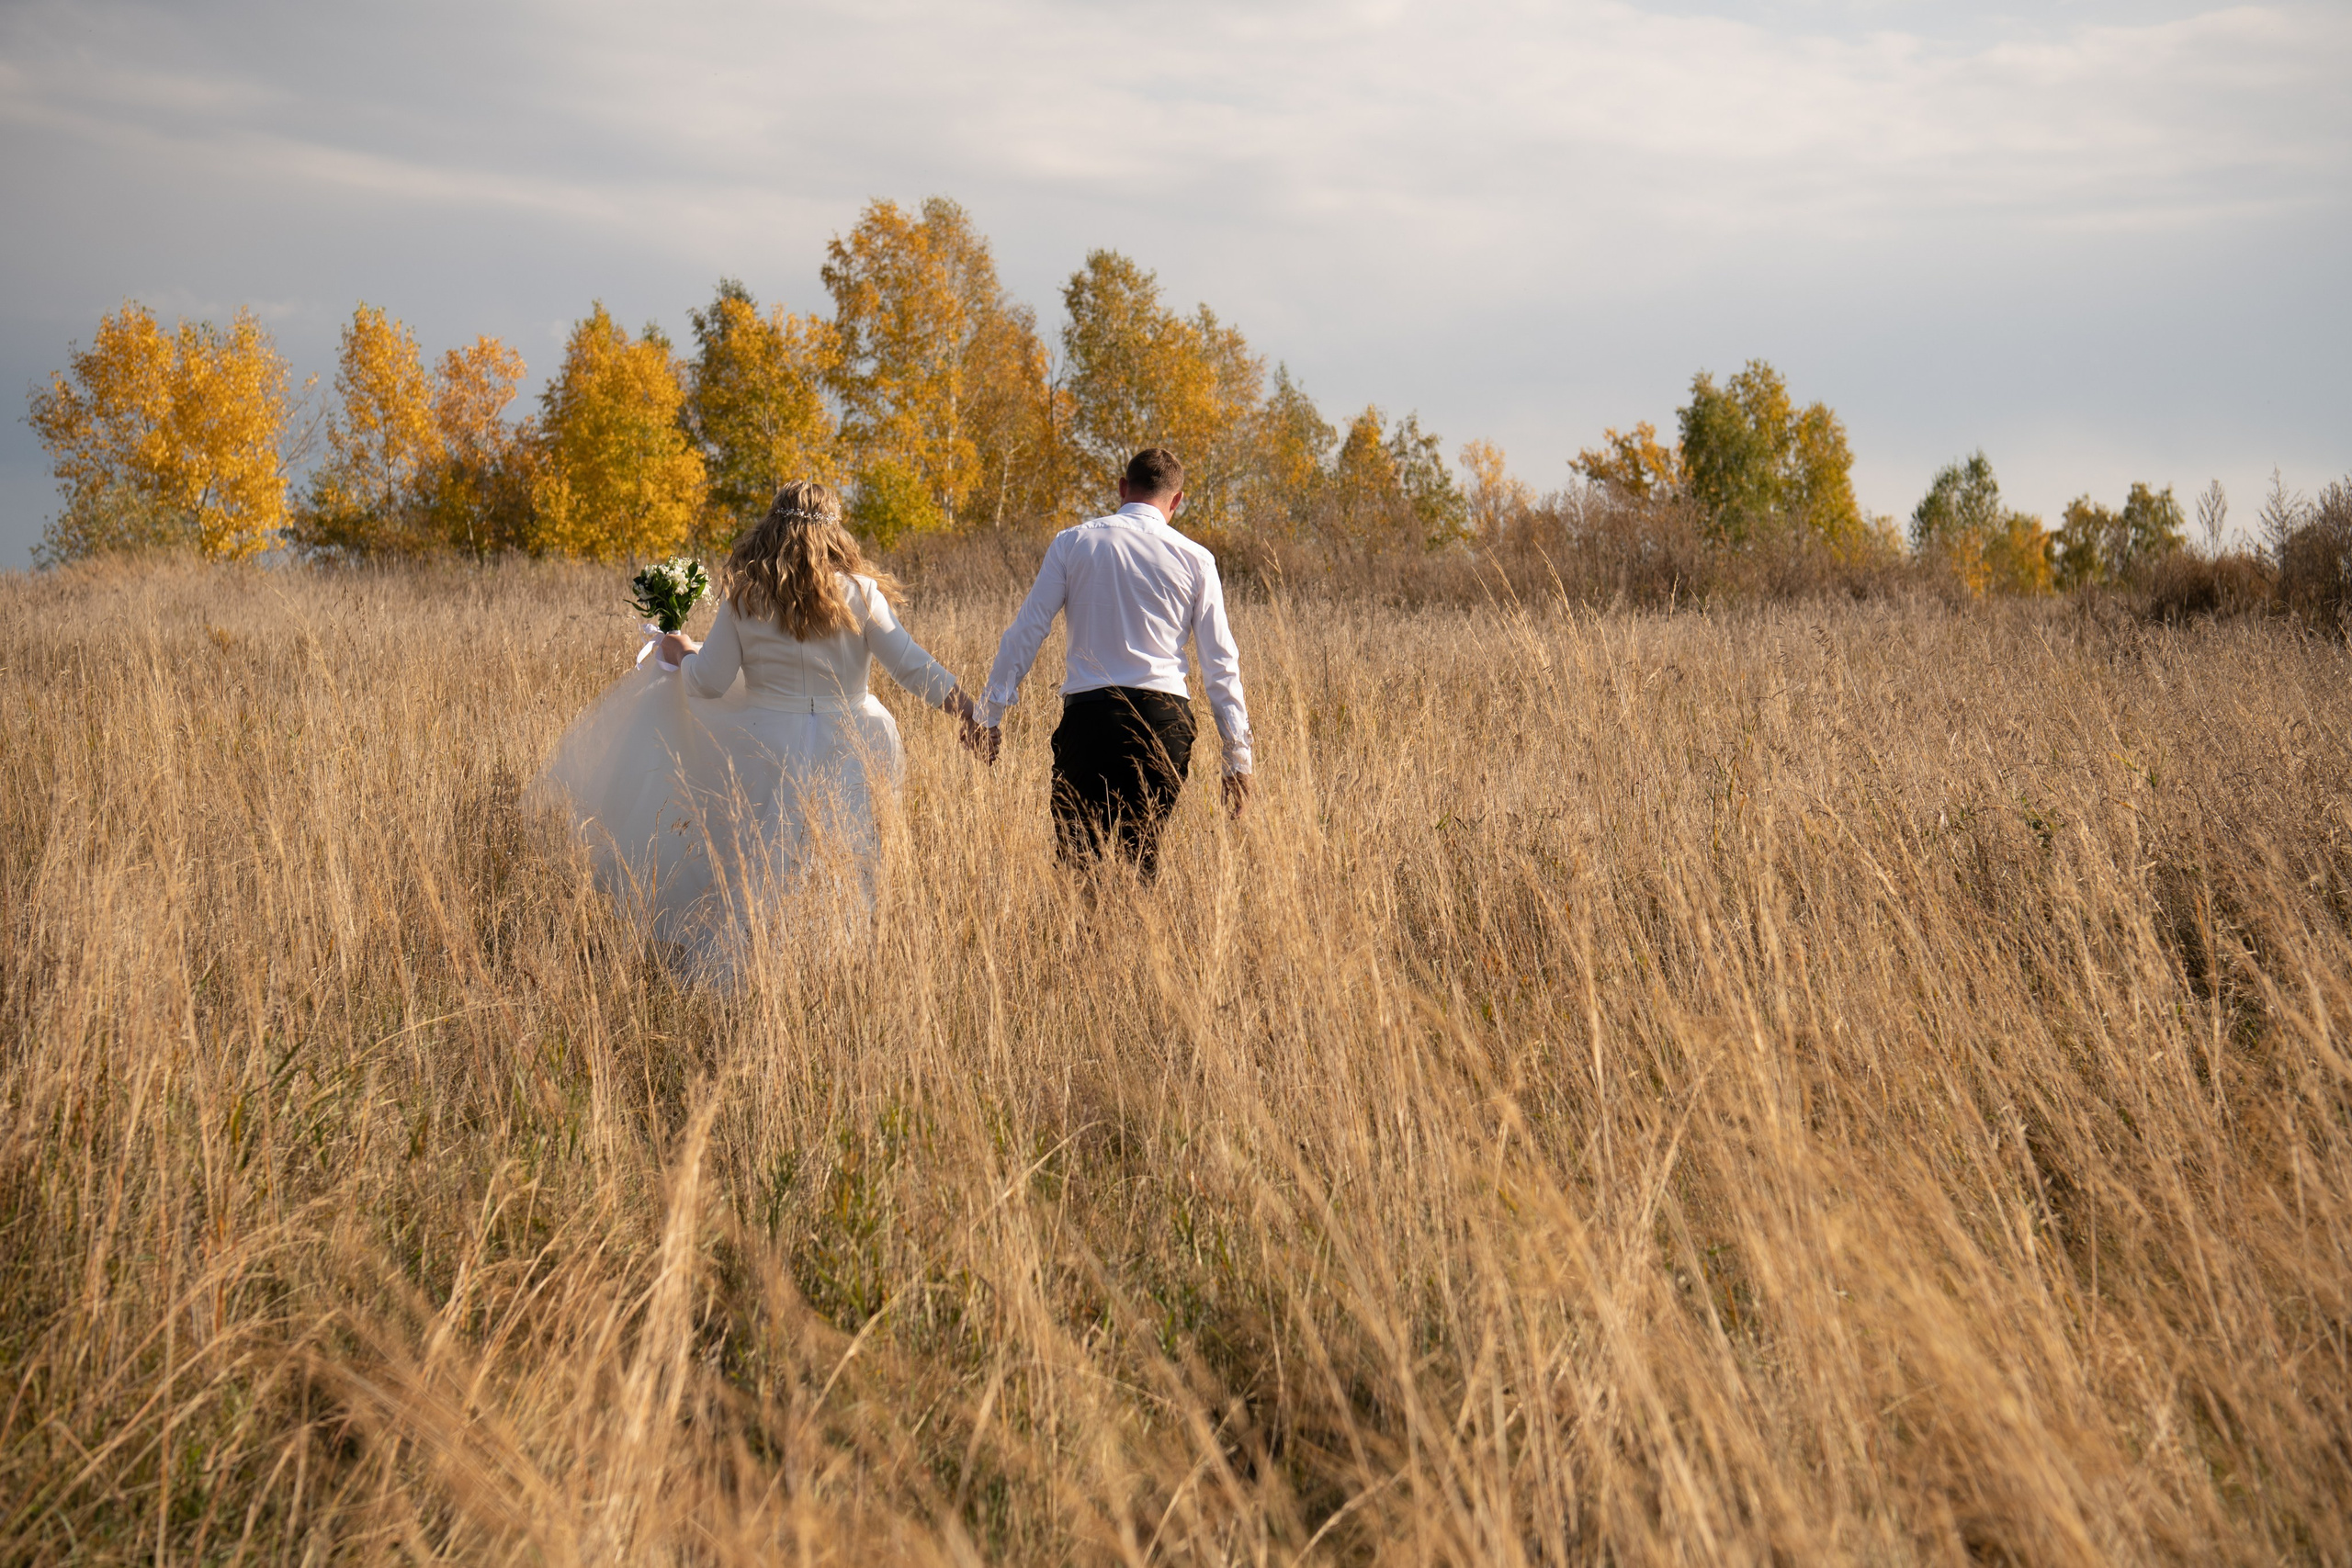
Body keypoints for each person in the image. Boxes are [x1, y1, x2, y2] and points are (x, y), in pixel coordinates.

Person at [534, 480, 975, 962]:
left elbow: (709, 683)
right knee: (847, 856)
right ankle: (839, 961)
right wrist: (969, 711)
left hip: (767, 743)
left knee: (765, 861)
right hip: (856, 737)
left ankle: (762, 958)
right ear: (835, 531)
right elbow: (912, 666)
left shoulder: (747, 597)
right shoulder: (861, 594)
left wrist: (682, 652)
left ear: (770, 526)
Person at [975, 446, 1251, 881]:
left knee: (1078, 864)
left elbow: (1027, 630)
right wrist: (1238, 758)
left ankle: (1085, 942)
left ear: (1123, 488)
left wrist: (989, 714)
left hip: (1090, 718)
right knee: (1141, 860)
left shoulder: (1073, 542)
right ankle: (1135, 941)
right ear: (1176, 500)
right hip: (1164, 722)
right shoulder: (1197, 559)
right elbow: (1221, 664)